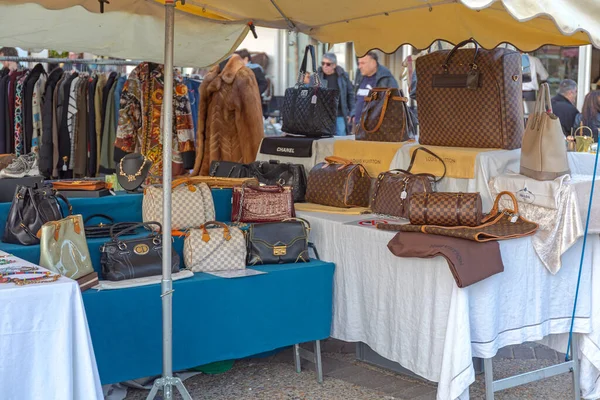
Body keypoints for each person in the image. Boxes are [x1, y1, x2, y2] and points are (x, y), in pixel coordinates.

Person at [352, 51, 398, 129]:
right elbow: (356, 97)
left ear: (373, 63)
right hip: (358, 125)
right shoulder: (359, 76)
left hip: (375, 127)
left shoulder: (385, 78)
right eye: (359, 63)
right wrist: (353, 113)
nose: (359, 66)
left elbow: (394, 103)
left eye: (363, 63)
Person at [317, 53, 355, 136]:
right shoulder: (317, 77)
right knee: (324, 140)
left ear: (334, 65)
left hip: (340, 114)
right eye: (323, 63)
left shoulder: (343, 76)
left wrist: (352, 112)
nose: (324, 66)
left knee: (341, 139)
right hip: (323, 116)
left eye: (328, 64)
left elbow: (350, 95)